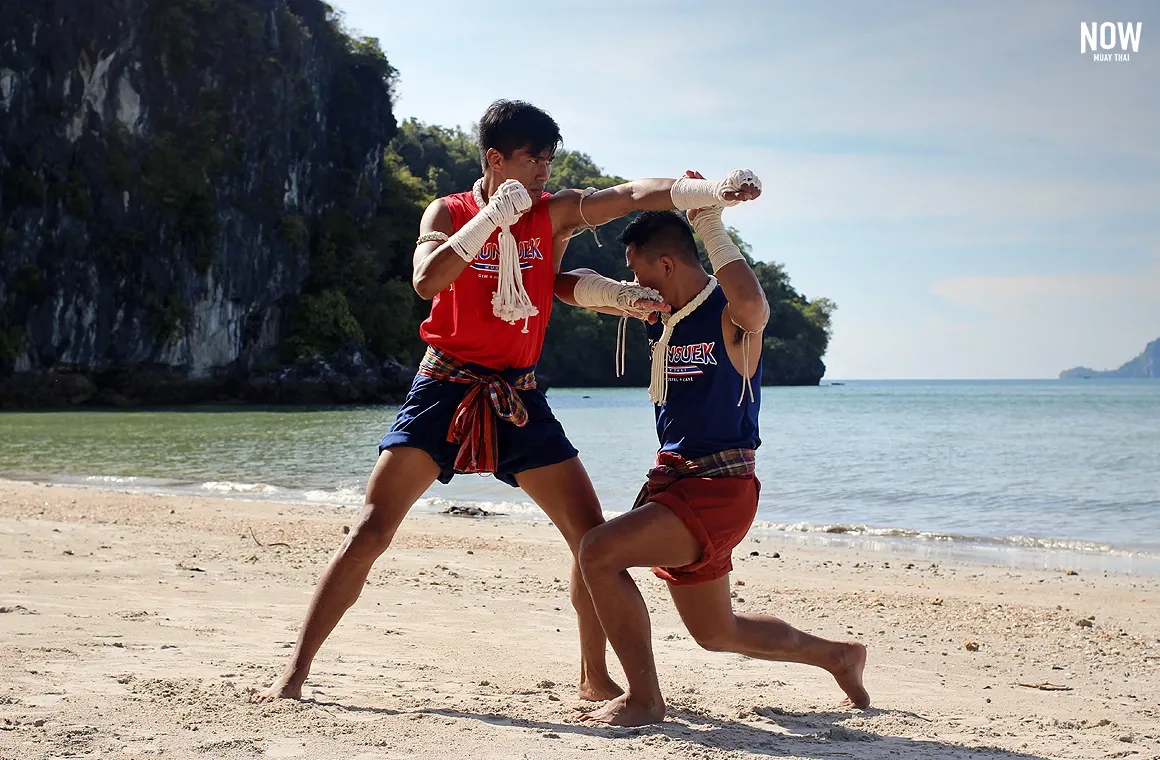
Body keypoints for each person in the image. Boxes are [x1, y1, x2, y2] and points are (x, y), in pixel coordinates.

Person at [252, 102, 761, 703]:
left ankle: (594, 676)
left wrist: (701, 191)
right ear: (495, 159)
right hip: (445, 385)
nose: (544, 170)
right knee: (370, 529)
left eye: (549, 159)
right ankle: (296, 672)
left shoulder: (553, 214)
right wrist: (491, 217)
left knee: (589, 536)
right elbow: (426, 281)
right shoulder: (450, 210)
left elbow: (626, 195)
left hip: (517, 392)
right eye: (532, 159)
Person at [557, 180, 870, 726]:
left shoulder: (727, 313)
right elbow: (567, 285)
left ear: (668, 264)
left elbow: (756, 306)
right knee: (716, 632)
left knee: (597, 552)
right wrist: (623, 297)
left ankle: (645, 699)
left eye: (638, 271)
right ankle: (837, 656)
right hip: (678, 485)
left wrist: (710, 222)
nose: (635, 282)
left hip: (718, 488)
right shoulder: (658, 313)